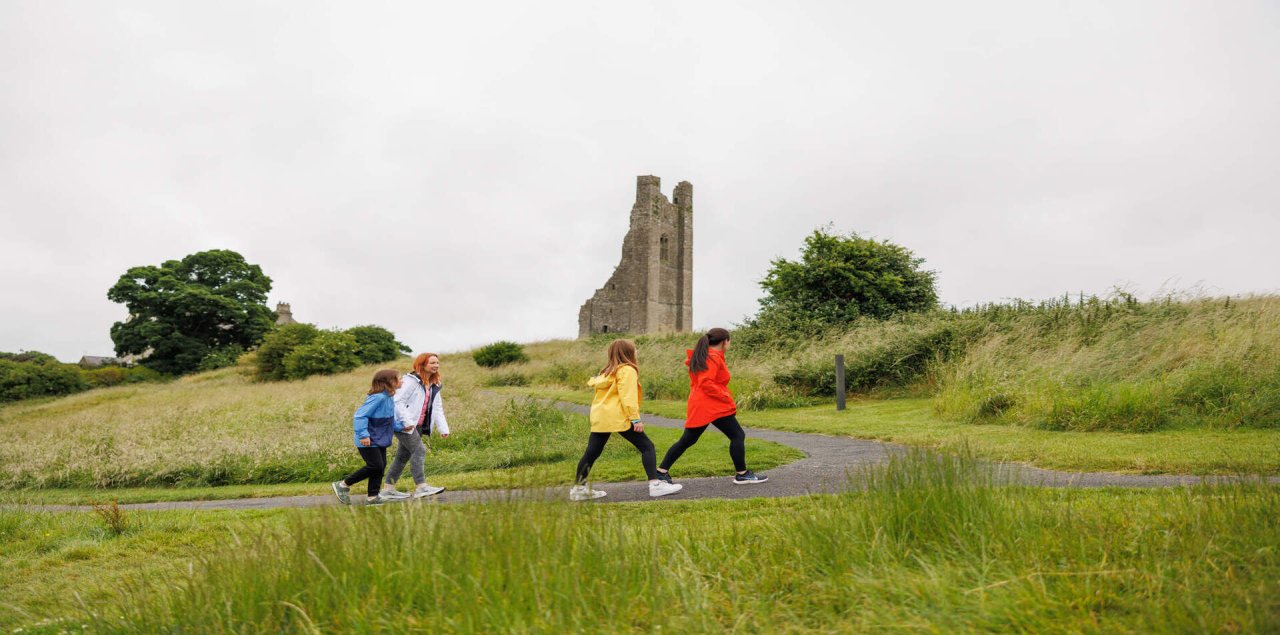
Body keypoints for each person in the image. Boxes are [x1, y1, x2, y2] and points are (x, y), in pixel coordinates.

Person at [571, 339, 684, 501]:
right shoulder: (628, 370)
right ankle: (655, 485)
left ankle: (578, 489)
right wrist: (635, 419)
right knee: (647, 446)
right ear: (629, 353)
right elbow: (628, 397)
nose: (636, 352)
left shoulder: (606, 372)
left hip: (601, 416)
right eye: (634, 349)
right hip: (618, 416)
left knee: (592, 452)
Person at [656, 327, 769, 485]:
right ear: (725, 341)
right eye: (730, 341)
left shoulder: (706, 355)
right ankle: (742, 474)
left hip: (704, 404)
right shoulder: (713, 357)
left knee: (688, 440)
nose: (730, 344)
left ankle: (661, 472)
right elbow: (706, 383)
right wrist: (725, 397)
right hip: (711, 405)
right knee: (737, 435)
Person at [382, 353, 451, 500]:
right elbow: (397, 402)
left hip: (418, 425)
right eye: (432, 363)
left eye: (437, 363)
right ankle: (421, 486)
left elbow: (437, 407)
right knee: (420, 450)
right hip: (403, 424)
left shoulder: (435, 383)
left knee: (402, 457)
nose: (436, 365)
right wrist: (407, 423)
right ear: (422, 364)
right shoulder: (410, 381)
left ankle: (387, 489)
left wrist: (443, 428)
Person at [332, 369, 405, 506]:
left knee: (380, 466)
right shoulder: (379, 397)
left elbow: (388, 420)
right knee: (375, 466)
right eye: (400, 378)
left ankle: (372, 497)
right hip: (368, 439)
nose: (402, 380)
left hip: (379, 438)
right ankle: (343, 484)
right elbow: (360, 415)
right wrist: (363, 435)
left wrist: (401, 427)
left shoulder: (389, 397)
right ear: (389, 381)